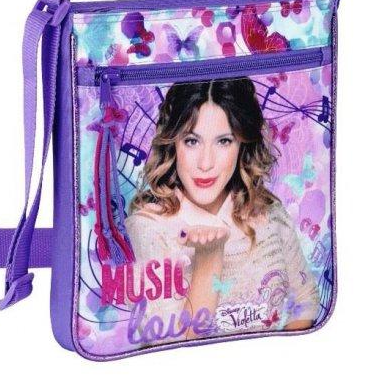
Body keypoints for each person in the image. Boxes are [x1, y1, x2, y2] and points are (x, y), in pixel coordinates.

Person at [124, 78, 320, 346]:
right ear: (173, 143)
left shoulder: (268, 213)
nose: (206, 163)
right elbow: (169, 345)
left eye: (224, 141)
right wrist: (208, 257)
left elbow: (305, 302)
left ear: (242, 145)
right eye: (191, 141)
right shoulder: (149, 225)